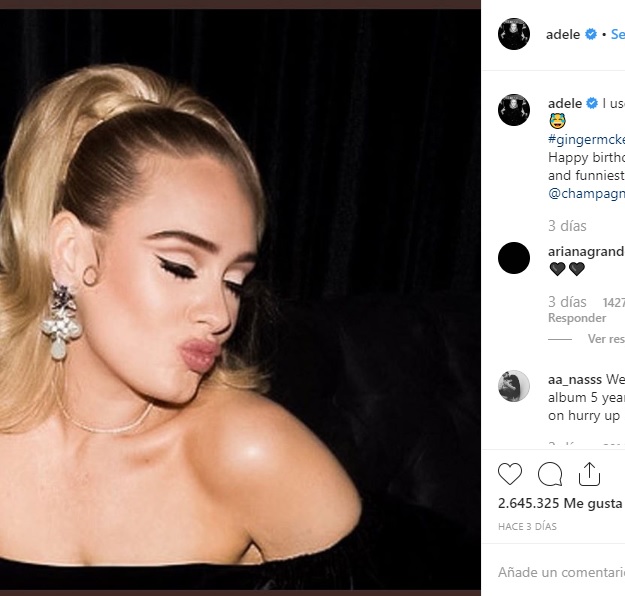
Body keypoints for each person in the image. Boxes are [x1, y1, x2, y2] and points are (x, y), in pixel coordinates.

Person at [0, 64, 360, 587]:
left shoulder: (254, 454)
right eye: (180, 267)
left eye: (234, 281)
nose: (221, 314)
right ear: (72, 254)